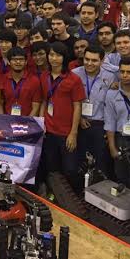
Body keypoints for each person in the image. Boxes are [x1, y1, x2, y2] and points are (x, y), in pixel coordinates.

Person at [39, 42, 85, 190]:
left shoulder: (74, 79)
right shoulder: (44, 76)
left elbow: (78, 106)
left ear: (64, 58)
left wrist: (73, 133)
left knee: (70, 169)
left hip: (66, 132)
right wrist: (41, 123)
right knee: (52, 167)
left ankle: (74, 197)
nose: (54, 58)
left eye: (58, 55)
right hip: (49, 130)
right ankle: (56, 195)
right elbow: (44, 101)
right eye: (51, 55)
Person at [72, 46, 114, 175]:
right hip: (79, 123)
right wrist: (79, 119)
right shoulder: (74, 74)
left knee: (100, 163)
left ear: (102, 61)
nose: (89, 63)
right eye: (87, 59)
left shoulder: (111, 76)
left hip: (100, 125)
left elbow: (111, 105)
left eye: (94, 60)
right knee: (79, 162)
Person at [104, 57, 130, 190]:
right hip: (120, 139)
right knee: (120, 177)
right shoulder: (111, 94)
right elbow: (110, 121)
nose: (125, 75)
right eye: (122, 72)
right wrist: (112, 147)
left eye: (129, 72)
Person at [0, 47, 42, 116]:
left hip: (27, 122)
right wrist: (4, 120)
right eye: (14, 59)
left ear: (26, 62)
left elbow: (36, 106)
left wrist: (27, 123)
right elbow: (0, 103)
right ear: (8, 62)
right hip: (7, 121)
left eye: (21, 59)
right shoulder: (2, 79)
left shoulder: (34, 81)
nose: (18, 62)